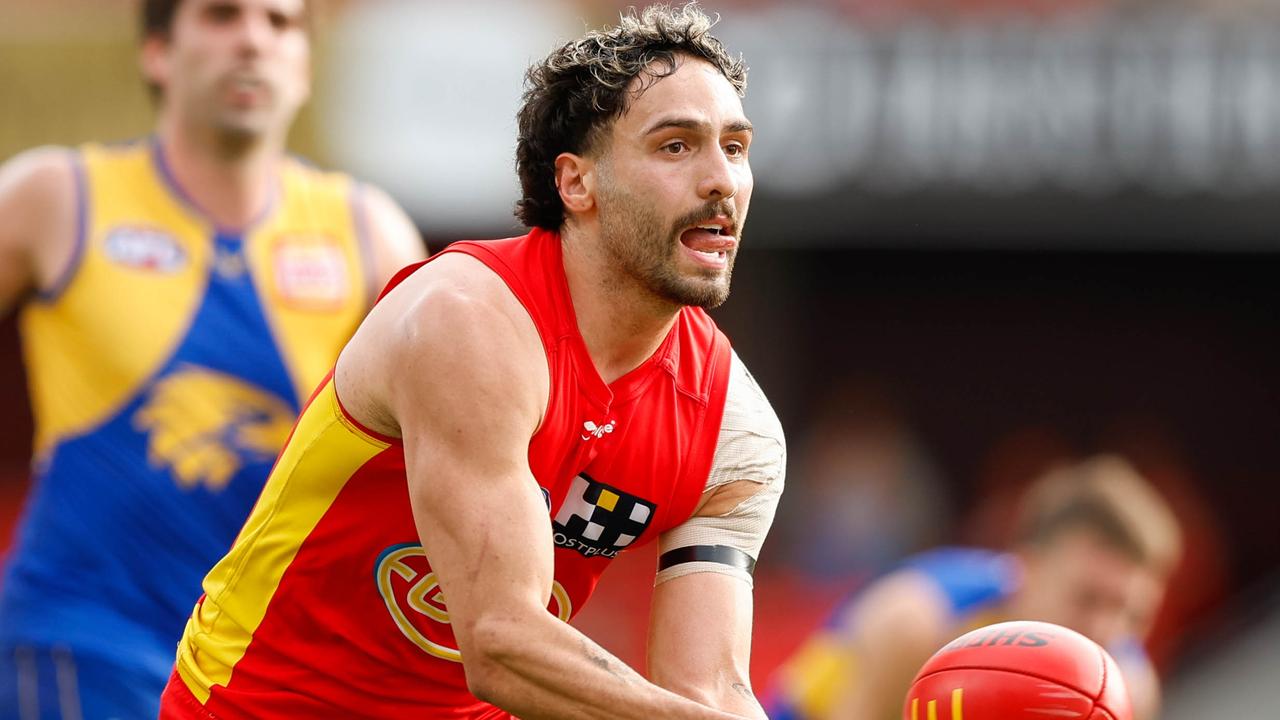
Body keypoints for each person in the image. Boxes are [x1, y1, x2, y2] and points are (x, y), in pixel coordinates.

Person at [159, 3, 786, 719]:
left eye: (735, 148)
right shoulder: (466, 320)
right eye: (676, 146)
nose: (722, 182)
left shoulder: (739, 432)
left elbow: (708, 691)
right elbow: (501, 643)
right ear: (575, 184)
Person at [0, 0, 425, 717]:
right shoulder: (57, 197)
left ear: (306, 67)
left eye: (280, 23)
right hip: (81, 639)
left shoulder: (367, 230)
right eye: (223, 16)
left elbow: (446, 443)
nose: (253, 40)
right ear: (158, 53)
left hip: (256, 665)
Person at [761, 455, 1182, 720]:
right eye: (1087, 598)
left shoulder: (1129, 688)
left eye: (1133, 613)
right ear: (1028, 567)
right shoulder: (917, 620)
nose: (1106, 629)